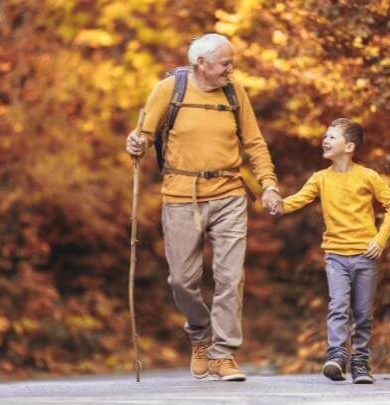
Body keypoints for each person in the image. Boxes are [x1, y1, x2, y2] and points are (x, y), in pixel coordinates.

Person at [125, 33, 282, 381]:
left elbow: (254, 142)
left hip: (229, 195)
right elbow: (144, 135)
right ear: (201, 64)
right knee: (181, 280)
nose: (231, 68)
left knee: (230, 277)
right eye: (225, 63)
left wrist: (269, 184)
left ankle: (224, 354)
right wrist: (135, 142)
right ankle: (200, 335)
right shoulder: (169, 89)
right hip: (181, 196)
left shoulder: (234, 91)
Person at [273, 118, 390, 384]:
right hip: (336, 256)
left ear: (350, 146)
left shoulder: (368, 176)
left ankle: (360, 363)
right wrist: (278, 204)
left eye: (333, 137)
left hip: (366, 256)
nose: (325, 140)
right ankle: (336, 356)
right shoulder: (320, 178)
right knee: (339, 306)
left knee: (363, 313)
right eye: (325, 136)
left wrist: (380, 239)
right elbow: (296, 200)